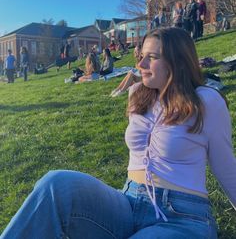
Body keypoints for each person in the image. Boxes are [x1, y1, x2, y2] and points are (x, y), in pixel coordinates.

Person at [1, 27, 236, 239]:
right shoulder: (138, 94)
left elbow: (226, 168)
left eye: (152, 58)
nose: (141, 65)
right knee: (56, 184)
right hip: (128, 202)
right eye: (141, 56)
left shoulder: (206, 101)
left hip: (182, 217)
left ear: (179, 62)